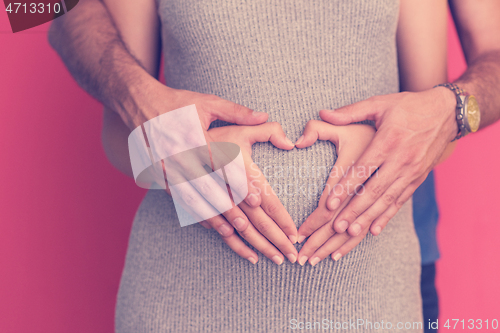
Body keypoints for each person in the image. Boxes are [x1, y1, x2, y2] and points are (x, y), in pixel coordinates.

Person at [48, 0, 500, 332]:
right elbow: (35, 6)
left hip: (372, 291)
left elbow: (446, 100)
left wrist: (451, 110)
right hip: (184, 297)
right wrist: (140, 101)